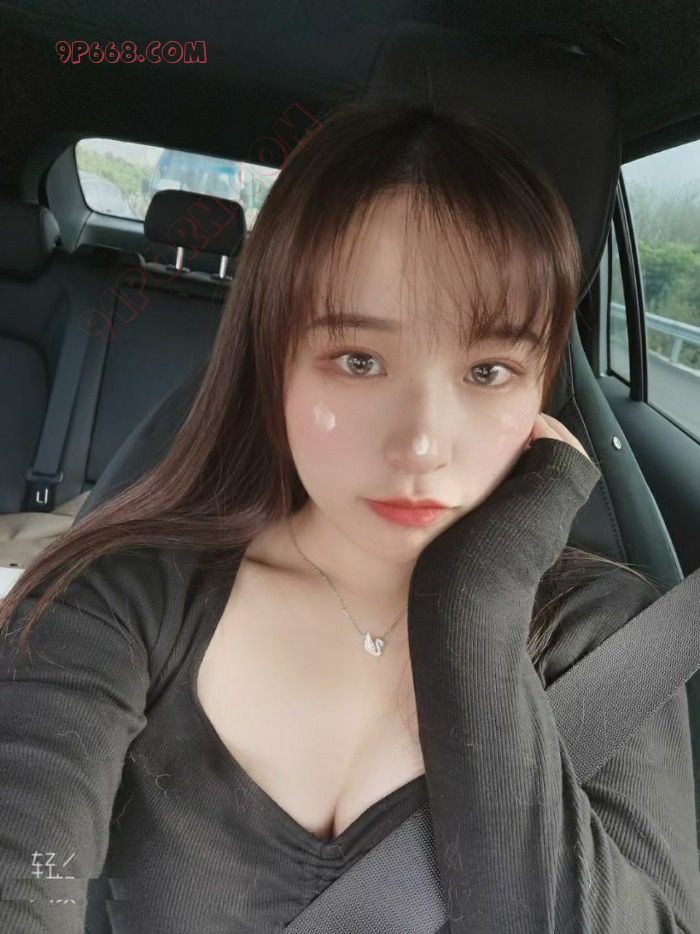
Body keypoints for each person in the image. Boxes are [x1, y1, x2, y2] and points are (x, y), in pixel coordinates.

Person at [0, 97, 698, 933]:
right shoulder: (119, 599)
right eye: (359, 360)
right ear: (274, 360)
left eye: (488, 372)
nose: (421, 444)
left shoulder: (607, 638)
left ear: (542, 386)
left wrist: (470, 610)